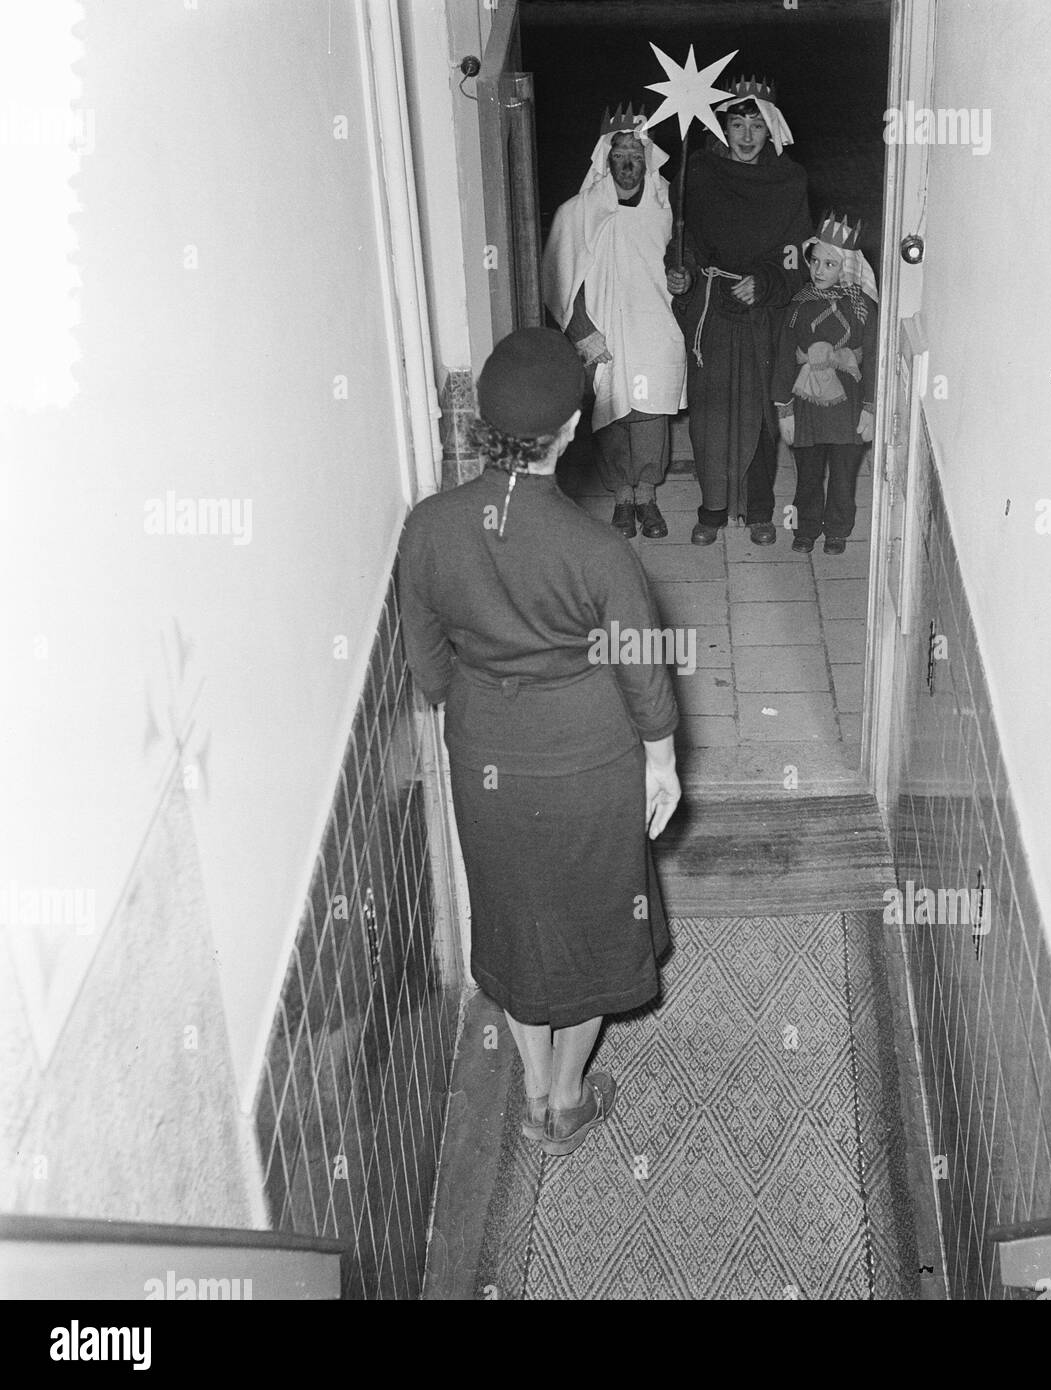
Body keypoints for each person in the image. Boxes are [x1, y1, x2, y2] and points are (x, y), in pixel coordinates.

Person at [397, 328, 682, 1157]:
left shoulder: (428, 527)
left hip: (483, 750)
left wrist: (487, 707)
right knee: (594, 921)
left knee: (516, 916)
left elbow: (427, 665)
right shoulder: (600, 552)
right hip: (588, 756)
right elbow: (641, 670)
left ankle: (529, 1091)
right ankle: (566, 1100)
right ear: (570, 428)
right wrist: (660, 761)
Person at [667, 78, 812, 546]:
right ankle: (711, 507)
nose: (747, 136)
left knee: (761, 413)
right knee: (710, 413)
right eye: (736, 124)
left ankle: (760, 510)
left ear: (771, 129)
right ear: (722, 126)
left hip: (762, 315)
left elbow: (796, 252)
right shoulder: (700, 174)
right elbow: (684, 239)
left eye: (756, 125)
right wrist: (683, 272)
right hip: (710, 309)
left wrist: (766, 282)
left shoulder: (790, 181)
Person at [543, 106, 688, 540]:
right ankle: (622, 497)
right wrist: (582, 331)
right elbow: (562, 278)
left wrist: (684, 277)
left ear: (648, 160)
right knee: (611, 413)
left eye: (636, 156)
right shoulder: (578, 212)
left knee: (648, 412)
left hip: (653, 327)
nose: (628, 165)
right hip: (602, 330)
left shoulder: (664, 210)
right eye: (619, 155)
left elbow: (681, 261)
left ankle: (647, 494)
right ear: (605, 159)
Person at [772, 213, 879, 555]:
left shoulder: (863, 308)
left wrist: (870, 407)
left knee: (844, 476)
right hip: (806, 408)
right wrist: (784, 409)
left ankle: (837, 529)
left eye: (829, 264)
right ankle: (805, 528)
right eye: (815, 261)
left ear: (845, 268)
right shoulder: (797, 306)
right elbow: (785, 356)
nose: (818, 270)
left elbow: (874, 357)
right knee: (808, 473)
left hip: (848, 407)